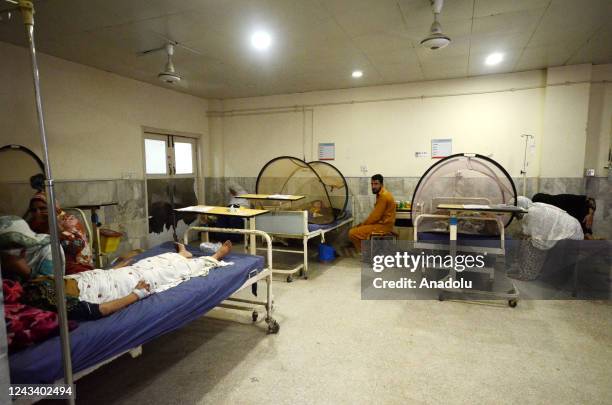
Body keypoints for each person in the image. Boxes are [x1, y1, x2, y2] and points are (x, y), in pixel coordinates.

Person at [1, 216, 234, 321]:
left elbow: (72, 279)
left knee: (150, 262)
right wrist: (137, 294)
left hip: (107, 277)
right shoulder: (40, 294)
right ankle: (213, 256)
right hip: (118, 287)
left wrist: (113, 270)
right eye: (17, 251)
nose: (24, 253)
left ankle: (182, 254)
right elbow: (97, 311)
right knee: (169, 273)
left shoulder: (32, 281)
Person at [25, 191, 93, 274]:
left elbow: (77, 246)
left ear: (54, 208)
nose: (37, 213)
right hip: (44, 265)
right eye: (33, 210)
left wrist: (58, 230)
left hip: (74, 265)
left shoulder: (69, 222)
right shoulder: (32, 224)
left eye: (43, 208)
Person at [348, 174, 396, 251]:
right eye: (372, 184)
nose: (373, 186)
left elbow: (375, 217)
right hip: (381, 224)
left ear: (381, 184)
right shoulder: (382, 194)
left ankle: (367, 254)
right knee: (357, 229)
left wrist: (363, 225)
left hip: (383, 226)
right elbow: (376, 216)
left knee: (352, 233)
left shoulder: (383, 196)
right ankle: (369, 252)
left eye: (376, 184)